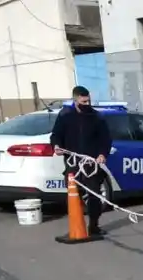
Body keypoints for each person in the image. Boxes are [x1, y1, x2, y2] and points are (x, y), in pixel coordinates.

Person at [49, 86, 111, 235]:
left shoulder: (96, 117)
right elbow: (56, 135)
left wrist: (102, 154)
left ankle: (94, 225)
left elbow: (106, 138)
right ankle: (77, 225)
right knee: (73, 193)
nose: (86, 104)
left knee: (94, 193)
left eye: (88, 101)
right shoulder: (65, 116)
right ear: (75, 100)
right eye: (83, 102)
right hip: (73, 162)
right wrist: (56, 146)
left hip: (90, 163)